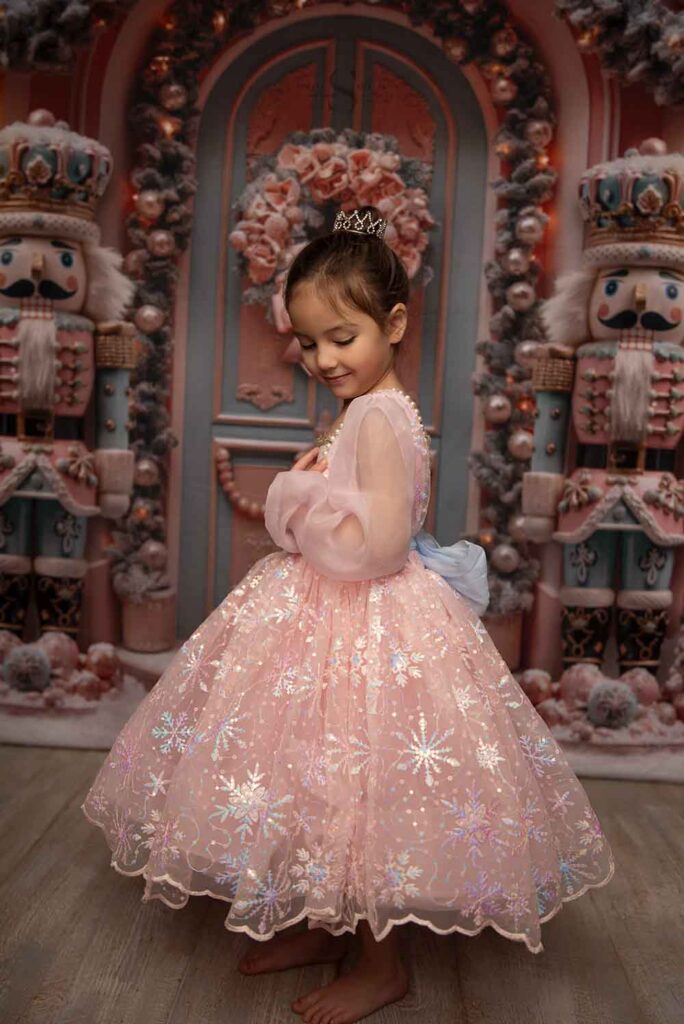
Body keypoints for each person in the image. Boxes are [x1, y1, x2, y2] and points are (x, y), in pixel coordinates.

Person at [81, 205, 615, 1024]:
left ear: (393, 323)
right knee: (312, 775)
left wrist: (292, 499)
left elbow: (375, 546)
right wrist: (324, 481)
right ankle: (321, 925)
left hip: (369, 617)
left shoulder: (376, 416)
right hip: (334, 612)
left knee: (363, 788)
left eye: (342, 337)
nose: (323, 358)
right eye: (308, 340)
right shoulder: (377, 408)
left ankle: (381, 961)